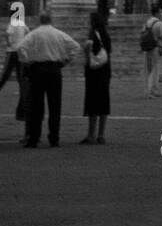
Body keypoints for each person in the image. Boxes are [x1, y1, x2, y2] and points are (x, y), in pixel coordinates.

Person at [18, 12, 80, 148]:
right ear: (51, 20)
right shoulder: (58, 33)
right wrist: (67, 60)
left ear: (40, 20)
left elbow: (21, 47)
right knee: (55, 105)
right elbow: (75, 46)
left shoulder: (34, 34)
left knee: (36, 106)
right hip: (54, 70)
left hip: (38, 70)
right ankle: (54, 137)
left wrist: (27, 61)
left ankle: (34, 137)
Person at [80, 11, 111, 145]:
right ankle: (101, 135)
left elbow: (87, 48)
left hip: (94, 72)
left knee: (92, 102)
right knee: (103, 102)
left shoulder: (92, 34)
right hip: (105, 70)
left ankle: (91, 134)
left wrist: (87, 58)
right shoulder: (106, 35)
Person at [0, 2, 27, 96]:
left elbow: (7, 34)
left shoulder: (13, 23)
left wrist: (9, 44)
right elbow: (27, 32)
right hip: (20, 50)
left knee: (6, 71)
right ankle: (23, 89)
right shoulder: (22, 24)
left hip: (12, 50)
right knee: (19, 72)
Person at [140, 11, 162, 98]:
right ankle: (152, 90)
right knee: (155, 69)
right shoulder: (160, 23)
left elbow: (142, 34)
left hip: (146, 47)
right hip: (155, 47)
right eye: (160, 12)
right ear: (157, 13)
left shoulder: (147, 22)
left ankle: (148, 90)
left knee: (147, 69)